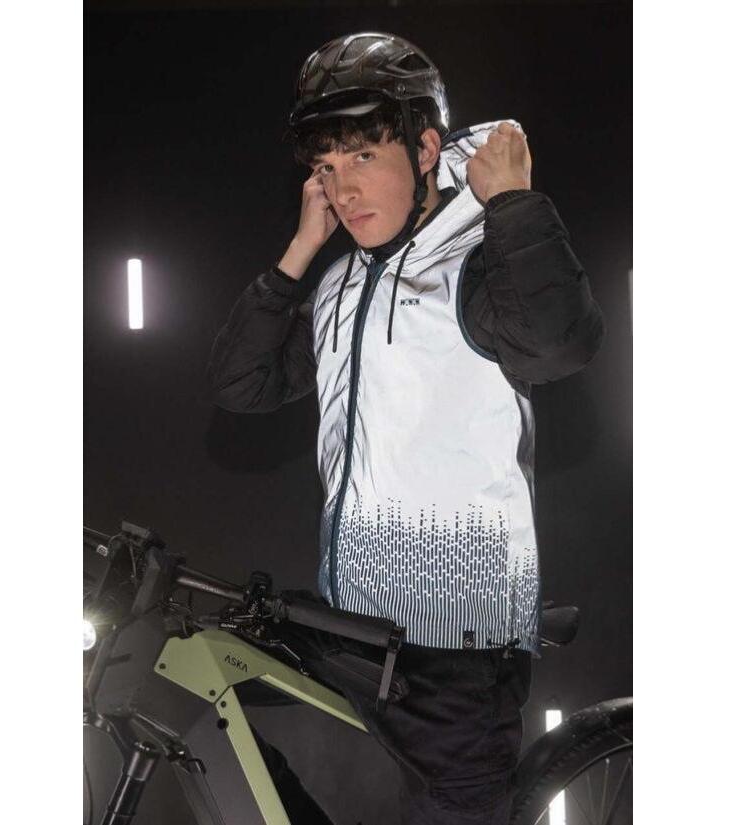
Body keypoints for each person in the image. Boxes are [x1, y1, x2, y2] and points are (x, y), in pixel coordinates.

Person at [207, 32, 604, 825]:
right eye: (326, 167)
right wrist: (300, 250)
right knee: (212, 695)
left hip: (457, 654)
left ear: (425, 149)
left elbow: (559, 344)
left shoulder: (478, 259)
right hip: (354, 628)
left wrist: (512, 202)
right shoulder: (338, 282)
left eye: (362, 156)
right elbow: (240, 386)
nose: (344, 186)